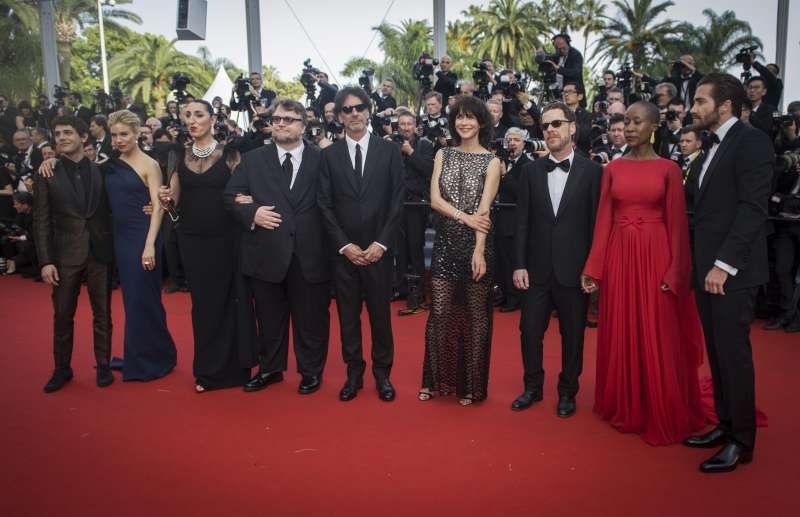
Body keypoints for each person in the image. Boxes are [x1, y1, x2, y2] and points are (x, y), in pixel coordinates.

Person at [581, 101, 705, 444]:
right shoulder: (613, 168)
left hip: (656, 255)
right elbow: (603, 220)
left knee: (657, 329)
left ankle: (659, 402)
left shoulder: (668, 169)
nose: (630, 127)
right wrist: (594, 267)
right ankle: (626, 402)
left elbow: (678, 225)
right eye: (626, 122)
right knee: (622, 327)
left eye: (637, 122)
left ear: (653, 126)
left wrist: (676, 272)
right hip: (621, 256)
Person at [683, 73, 774, 473]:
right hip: (706, 269)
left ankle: (742, 441)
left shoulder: (751, 141)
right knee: (718, 354)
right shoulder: (707, 150)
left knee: (734, 356)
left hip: (730, 272)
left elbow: (752, 209)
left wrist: (723, 265)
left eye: (701, 102)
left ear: (724, 105)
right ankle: (724, 424)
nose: (693, 108)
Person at [223, 98, 331, 395]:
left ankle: (311, 372)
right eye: (277, 119)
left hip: (311, 254)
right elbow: (231, 196)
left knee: (311, 320)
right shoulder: (254, 159)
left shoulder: (322, 159)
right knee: (269, 318)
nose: (281, 124)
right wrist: (252, 212)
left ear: (304, 126)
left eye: (289, 119)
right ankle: (270, 368)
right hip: (266, 252)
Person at [510, 102, 602, 417]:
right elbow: (522, 221)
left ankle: (567, 392)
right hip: (535, 269)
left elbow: (595, 226)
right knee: (529, 331)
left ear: (572, 128)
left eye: (557, 124)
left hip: (574, 272)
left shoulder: (593, 172)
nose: (550, 130)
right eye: (545, 125)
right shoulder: (531, 171)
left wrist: (592, 269)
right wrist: (519, 263)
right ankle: (532, 388)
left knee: (573, 335)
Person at [156, 100, 253, 392]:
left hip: (228, 239)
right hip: (193, 240)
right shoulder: (177, 156)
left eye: (198, 114)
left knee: (231, 301)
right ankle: (208, 371)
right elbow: (174, 201)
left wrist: (248, 200)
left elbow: (242, 193)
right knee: (203, 306)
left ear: (212, 119)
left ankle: (237, 370)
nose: (192, 120)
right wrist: (164, 198)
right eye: (187, 115)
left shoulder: (231, 155)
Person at [317, 86, 405, 402]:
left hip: (380, 252)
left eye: (359, 108)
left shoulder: (390, 151)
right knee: (348, 318)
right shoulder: (327, 156)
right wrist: (345, 246)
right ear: (339, 116)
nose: (354, 114)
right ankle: (353, 374)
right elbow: (323, 204)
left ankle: (383, 376)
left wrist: (381, 243)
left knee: (381, 317)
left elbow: (398, 201)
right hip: (344, 255)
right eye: (347, 109)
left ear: (368, 111)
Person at [418, 95, 501, 406]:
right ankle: (434, 380)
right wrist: (465, 217)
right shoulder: (443, 154)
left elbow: (485, 211)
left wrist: (478, 251)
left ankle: (471, 386)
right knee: (439, 314)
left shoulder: (492, 162)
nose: (464, 123)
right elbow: (435, 201)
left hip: (476, 247)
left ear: (481, 122)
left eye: (470, 117)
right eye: (459, 118)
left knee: (476, 317)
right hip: (445, 244)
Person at [33, 115, 115, 392]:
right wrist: (46, 261)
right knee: (63, 315)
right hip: (65, 255)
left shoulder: (101, 170)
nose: (62, 137)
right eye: (57, 133)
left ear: (84, 137)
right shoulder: (46, 173)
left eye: (68, 132)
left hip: (99, 253)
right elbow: (41, 221)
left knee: (103, 313)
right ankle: (62, 369)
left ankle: (103, 366)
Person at [104, 110, 176, 380]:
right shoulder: (111, 164)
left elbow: (158, 207)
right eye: (115, 135)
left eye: (124, 134)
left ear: (137, 134)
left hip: (142, 237)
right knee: (133, 301)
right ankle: (143, 355)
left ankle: (154, 359)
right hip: (121, 238)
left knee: (144, 300)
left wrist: (148, 245)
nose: (119, 139)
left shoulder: (150, 164)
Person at [390, 107, 434, 312]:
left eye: (409, 124)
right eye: (402, 125)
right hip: (396, 203)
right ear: (397, 127)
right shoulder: (390, 144)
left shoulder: (424, 145)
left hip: (417, 204)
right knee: (399, 247)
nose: (406, 128)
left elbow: (429, 171)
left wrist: (411, 153)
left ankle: (419, 290)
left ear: (416, 127)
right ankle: (400, 288)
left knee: (416, 247)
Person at [495, 127, 531, 313]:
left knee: (511, 261)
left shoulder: (527, 164)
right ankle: (503, 294)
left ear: (524, 144)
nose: (512, 143)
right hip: (498, 220)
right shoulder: (500, 161)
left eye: (517, 140)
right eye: (510, 140)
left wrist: (504, 175)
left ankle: (514, 297)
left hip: (514, 222)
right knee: (500, 261)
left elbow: (521, 192)